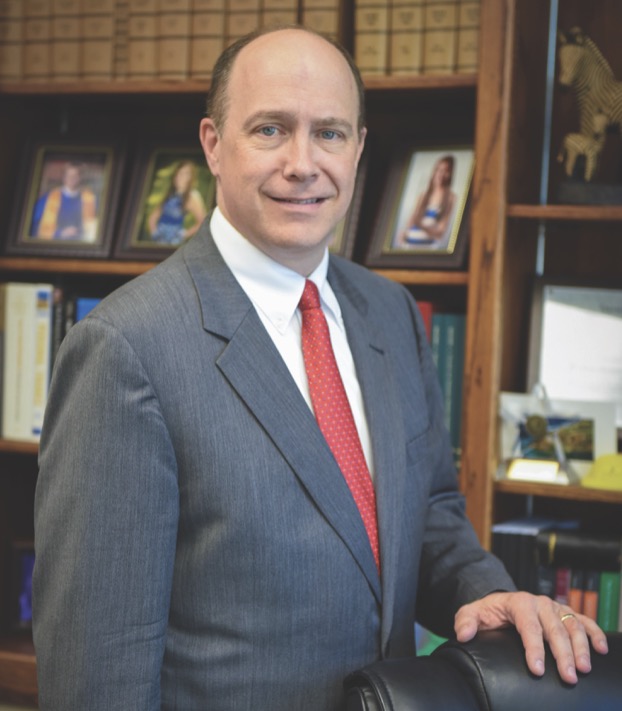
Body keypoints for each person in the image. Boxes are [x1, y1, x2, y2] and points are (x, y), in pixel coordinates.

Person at [32, 25, 608, 711]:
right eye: (270, 130)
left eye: (329, 133)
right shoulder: (125, 348)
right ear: (213, 144)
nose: (302, 163)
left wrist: (490, 593)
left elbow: (427, 515)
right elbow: (97, 672)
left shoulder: (391, 313)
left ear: (358, 148)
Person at [30, 161, 97, 241]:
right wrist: (59, 234)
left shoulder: (90, 199)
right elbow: (34, 226)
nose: (71, 178)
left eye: (75, 175)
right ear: (64, 178)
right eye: (69, 175)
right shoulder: (47, 199)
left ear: (80, 178)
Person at [398, 154, 456, 247]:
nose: (440, 174)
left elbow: (440, 233)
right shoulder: (423, 195)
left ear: (450, 174)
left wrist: (420, 225)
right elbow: (410, 223)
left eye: (445, 171)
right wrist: (403, 235)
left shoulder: (450, 198)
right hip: (408, 245)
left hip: (427, 248)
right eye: (438, 170)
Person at [145, 160, 208, 245]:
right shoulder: (170, 194)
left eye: (186, 174)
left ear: (191, 177)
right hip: (159, 240)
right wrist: (155, 233)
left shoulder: (192, 196)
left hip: (174, 241)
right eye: (179, 173)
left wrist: (184, 234)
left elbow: (203, 221)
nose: (181, 176)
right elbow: (152, 218)